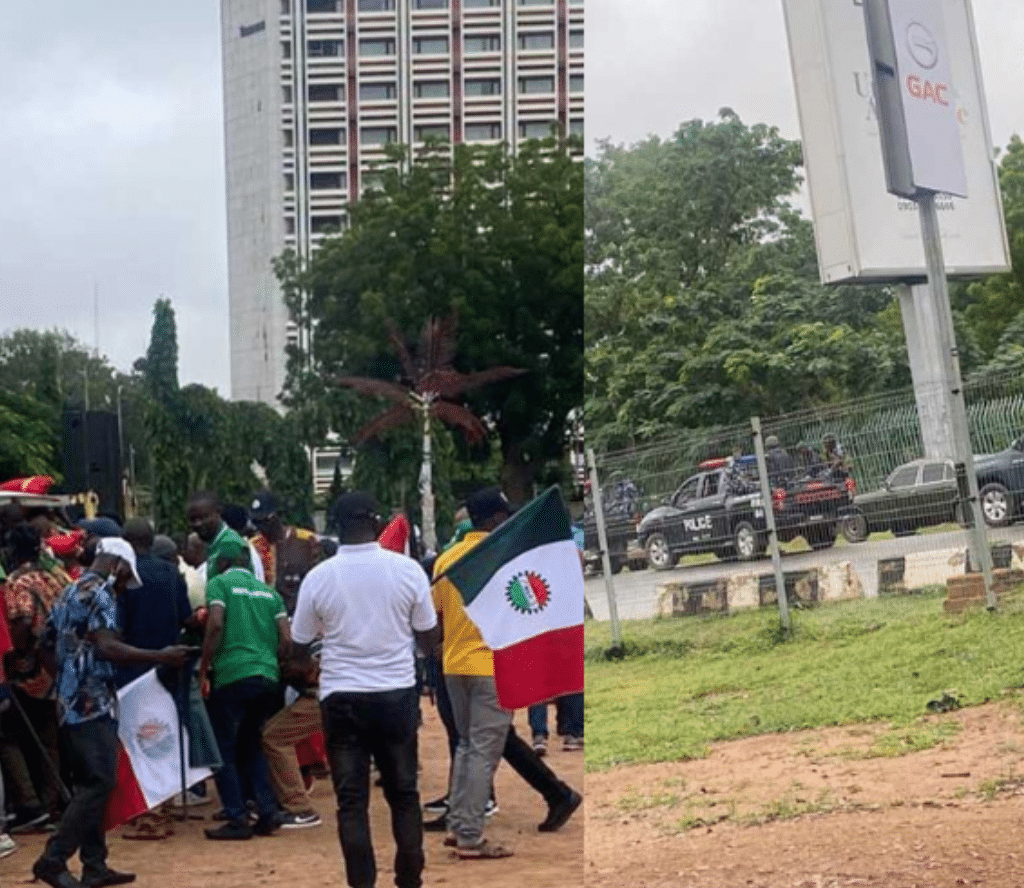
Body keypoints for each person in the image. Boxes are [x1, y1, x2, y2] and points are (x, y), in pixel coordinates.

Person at [291, 491, 439, 888]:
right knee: (404, 792)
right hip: (396, 693)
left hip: (341, 697)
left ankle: (362, 884)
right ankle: (410, 878)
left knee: (351, 802)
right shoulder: (407, 570)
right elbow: (427, 638)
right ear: (376, 524)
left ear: (336, 528)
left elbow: (299, 643)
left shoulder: (318, 577)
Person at [431, 487, 581, 860]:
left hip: (454, 665)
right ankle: (469, 835)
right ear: (494, 520)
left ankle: (458, 825)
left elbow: (438, 616)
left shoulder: (446, 560)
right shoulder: (504, 558)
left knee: (466, 746)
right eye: (505, 516)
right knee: (484, 752)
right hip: (491, 666)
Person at [31, 537, 190, 888]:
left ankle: (94, 864)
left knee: (88, 783)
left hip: (70, 702)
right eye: (124, 579)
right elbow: (107, 646)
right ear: (117, 565)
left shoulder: (68, 591)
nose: (123, 588)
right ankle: (53, 858)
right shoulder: (102, 593)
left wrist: (66, 678)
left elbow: (43, 642)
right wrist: (160, 656)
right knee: (101, 781)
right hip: (94, 703)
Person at [197, 539, 290, 841]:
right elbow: (286, 639)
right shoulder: (270, 593)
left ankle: (237, 818)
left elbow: (215, 625)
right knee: (253, 744)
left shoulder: (220, 585)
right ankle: (267, 811)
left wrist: (204, 666)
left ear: (221, 564)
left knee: (223, 748)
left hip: (232, 674)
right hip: (266, 676)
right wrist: (270, 661)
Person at [0, 524, 66, 830]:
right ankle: (51, 804)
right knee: (50, 739)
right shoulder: (55, 576)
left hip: (31, 670)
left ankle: (30, 806)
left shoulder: (19, 582)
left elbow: (23, 620)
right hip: (59, 665)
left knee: (9, 736)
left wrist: (14, 656)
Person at [114, 519, 193, 689]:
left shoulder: (122, 577)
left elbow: (117, 630)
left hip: (133, 670)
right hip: (169, 667)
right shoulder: (172, 572)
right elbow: (187, 618)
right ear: (151, 541)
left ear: (124, 543)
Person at [248, 489, 320, 615]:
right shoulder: (253, 546)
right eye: (256, 522)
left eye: (265, 520)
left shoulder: (306, 540)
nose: (260, 526)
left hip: (301, 617)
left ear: (279, 515)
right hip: (267, 619)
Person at [186, 490, 254, 580]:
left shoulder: (230, 544)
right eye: (193, 520)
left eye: (204, 517)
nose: (198, 524)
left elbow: (236, 589)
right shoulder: (213, 544)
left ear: (218, 512)